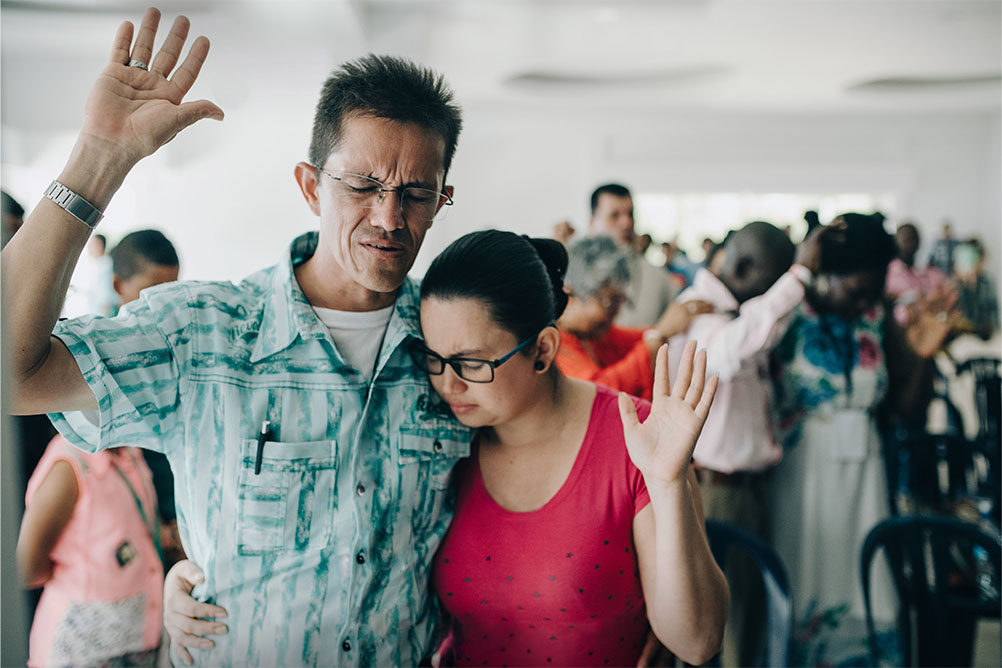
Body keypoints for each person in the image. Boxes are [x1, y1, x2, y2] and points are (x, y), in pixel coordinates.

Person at [3, 8, 469, 665]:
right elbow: (12, 374)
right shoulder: (206, 334)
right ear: (311, 186)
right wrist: (98, 160)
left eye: (417, 193)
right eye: (362, 186)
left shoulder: (455, 349)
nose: (389, 216)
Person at [165, 230, 731, 667]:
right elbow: (344, 542)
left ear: (543, 350)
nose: (446, 384)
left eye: (470, 363)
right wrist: (196, 578)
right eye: (433, 359)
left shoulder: (637, 443)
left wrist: (668, 484)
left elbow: (698, 641)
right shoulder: (443, 437)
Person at [769, 213, 957, 665]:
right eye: (856, 291)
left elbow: (904, 411)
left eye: (872, 293)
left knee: (866, 581)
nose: (864, 303)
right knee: (803, 576)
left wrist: (923, 358)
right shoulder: (787, 310)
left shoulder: (876, 316)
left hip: (867, 475)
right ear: (826, 273)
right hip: (801, 475)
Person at [669, 220, 816, 666]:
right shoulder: (701, 312)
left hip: (747, 488)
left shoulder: (734, 311)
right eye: (772, 280)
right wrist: (799, 278)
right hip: (717, 493)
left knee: (747, 614)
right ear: (748, 266)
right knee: (717, 627)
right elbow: (731, 352)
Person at [17, 435, 164, 667]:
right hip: (82, 651)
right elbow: (27, 569)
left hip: (139, 639)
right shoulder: (69, 466)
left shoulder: (129, 448)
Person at [108, 229, 186, 568]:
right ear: (117, 286)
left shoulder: (182, 346)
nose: (163, 306)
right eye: (151, 293)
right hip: (127, 527)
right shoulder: (98, 361)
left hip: (180, 516)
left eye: (173, 291)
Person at [555, 236, 712, 400]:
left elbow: (636, 339)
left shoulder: (593, 336)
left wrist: (669, 327)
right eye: (608, 302)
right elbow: (596, 392)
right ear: (569, 295)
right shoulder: (556, 345)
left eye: (620, 301)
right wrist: (657, 338)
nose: (616, 313)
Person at [588, 183, 678, 327]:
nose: (626, 223)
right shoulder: (573, 280)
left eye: (630, 214)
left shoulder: (659, 278)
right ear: (592, 223)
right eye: (614, 215)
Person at [885, 222, 947, 325]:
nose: (911, 244)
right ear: (896, 242)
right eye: (906, 239)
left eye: (914, 239)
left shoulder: (928, 272)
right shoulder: (889, 272)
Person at [953, 238, 999, 340]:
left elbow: (994, 319)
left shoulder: (987, 283)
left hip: (985, 339)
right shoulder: (952, 285)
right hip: (961, 340)